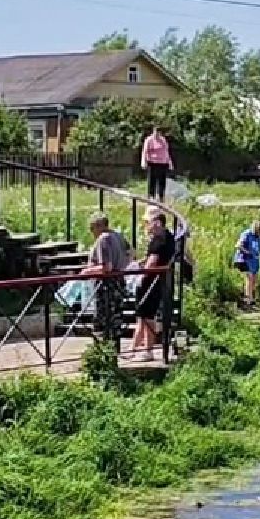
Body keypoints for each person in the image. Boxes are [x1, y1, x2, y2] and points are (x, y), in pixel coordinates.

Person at [130, 205, 175, 361]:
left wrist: (139, 274)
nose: (147, 226)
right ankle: (133, 349)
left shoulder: (158, 240)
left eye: (148, 222)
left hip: (151, 283)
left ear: (157, 223)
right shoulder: (169, 237)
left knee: (147, 316)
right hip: (158, 282)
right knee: (142, 317)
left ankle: (147, 350)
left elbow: (152, 263)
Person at [81, 212, 130, 346]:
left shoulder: (103, 239)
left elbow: (106, 267)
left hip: (106, 286)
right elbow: (130, 253)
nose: (92, 233)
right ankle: (115, 348)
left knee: (103, 320)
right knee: (116, 319)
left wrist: (87, 271)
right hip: (119, 281)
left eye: (92, 229)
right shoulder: (119, 236)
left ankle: (103, 350)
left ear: (98, 226)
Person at [232, 219, 260, 307]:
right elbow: (238, 245)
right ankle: (249, 299)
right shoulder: (246, 234)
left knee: (254, 279)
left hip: (254, 261)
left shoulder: (258, 237)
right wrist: (247, 252)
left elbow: (259, 249)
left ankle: (251, 297)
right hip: (244, 260)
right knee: (249, 278)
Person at [141, 125, 172, 200]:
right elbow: (145, 151)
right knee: (152, 180)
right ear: (153, 131)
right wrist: (143, 161)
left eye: (159, 132)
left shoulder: (163, 140)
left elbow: (166, 151)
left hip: (162, 163)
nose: (157, 134)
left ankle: (161, 197)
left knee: (162, 180)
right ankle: (151, 196)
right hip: (152, 162)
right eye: (156, 132)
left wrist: (170, 162)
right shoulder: (149, 140)